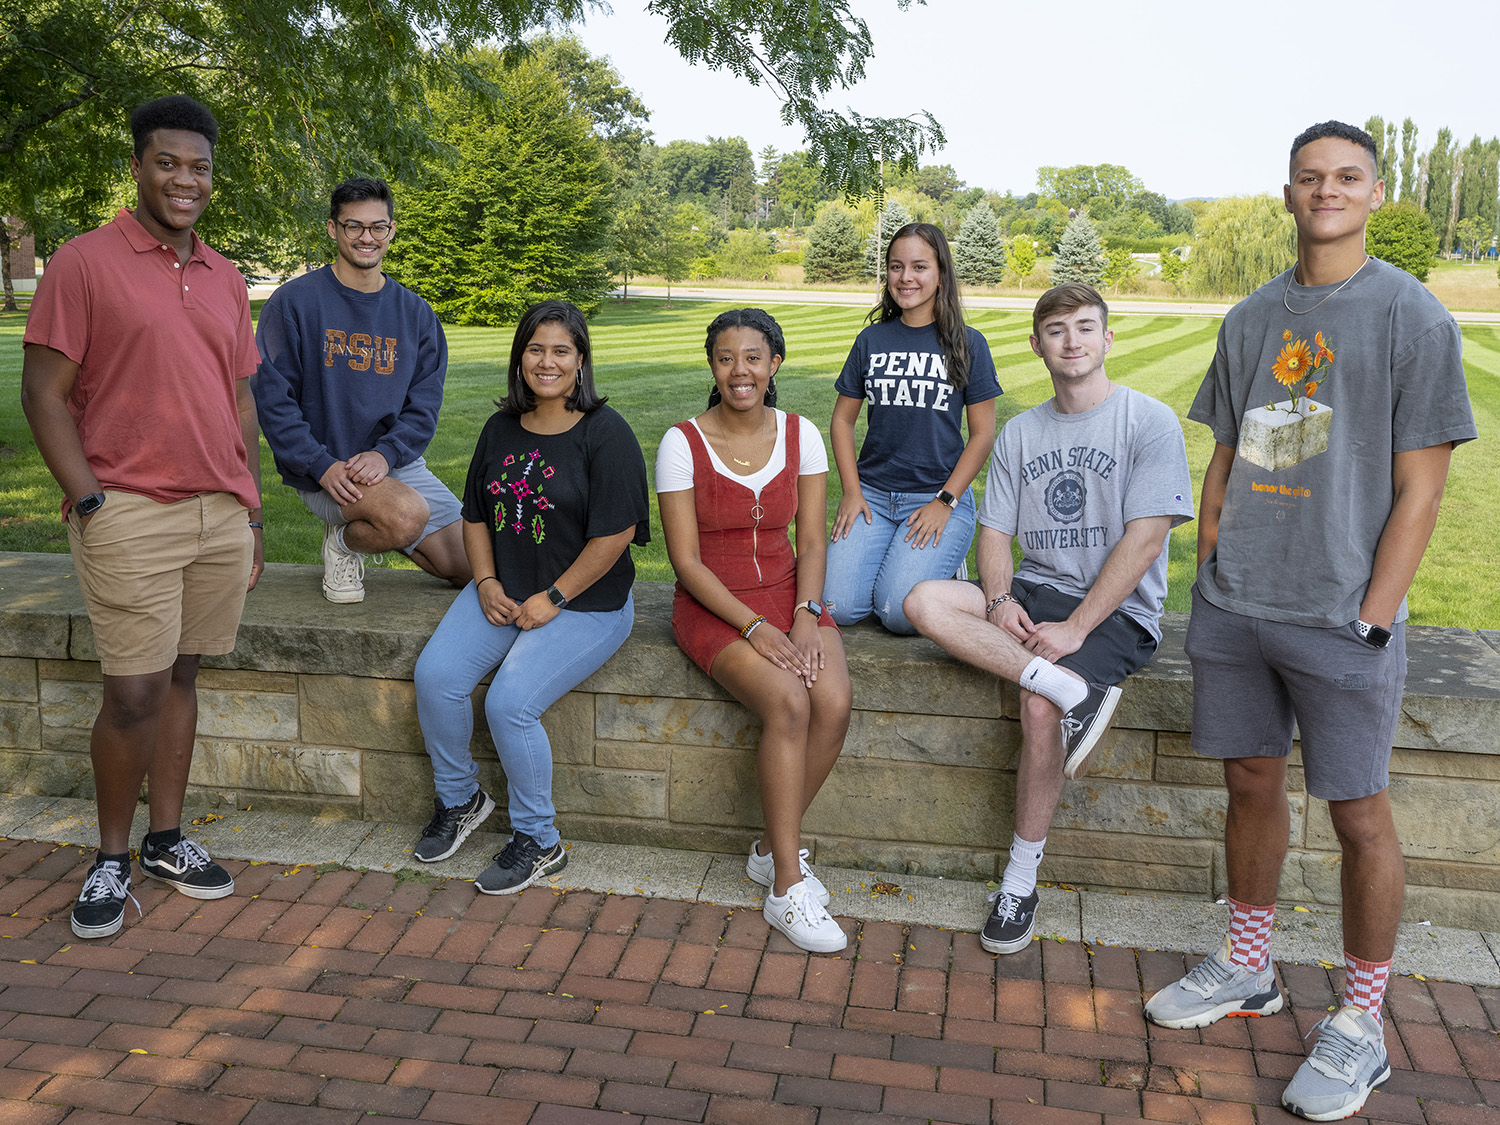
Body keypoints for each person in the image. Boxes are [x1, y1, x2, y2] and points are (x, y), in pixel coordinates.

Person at [1142, 121, 1476, 1122]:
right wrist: (1209, 555)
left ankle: (1362, 1021)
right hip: (1238, 604)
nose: (1325, 191)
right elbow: (1230, 448)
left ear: (1375, 194)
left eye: (1346, 178)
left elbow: (1422, 492)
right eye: (1308, 177)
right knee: (1250, 783)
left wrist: (1374, 617)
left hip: (1341, 615)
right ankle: (1251, 967)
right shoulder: (1250, 319)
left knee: (1357, 811)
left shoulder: (1413, 319)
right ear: (1287, 193)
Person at [20, 96, 262, 938]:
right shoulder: (84, 263)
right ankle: (111, 858)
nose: (184, 180)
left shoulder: (228, 276)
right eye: (168, 163)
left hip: (217, 514)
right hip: (126, 508)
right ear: (137, 166)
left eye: (198, 166)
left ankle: (166, 840)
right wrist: (89, 498)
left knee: (183, 678)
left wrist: (252, 508)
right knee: (132, 692)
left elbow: (240, 399)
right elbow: (43, 394)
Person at [904, 282, 1192, 955]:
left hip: (1117, 612)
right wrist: (1001, 601)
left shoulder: (1148, 421)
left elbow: (1147, 538)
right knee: (924, 600)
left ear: (1108, 338)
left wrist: (1078, 628)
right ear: (1037, 345)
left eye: (1086, 328)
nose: (1073, 341)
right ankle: (1066, 686)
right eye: (1058, 330)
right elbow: (996, 536)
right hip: (1035, 593)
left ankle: (1019, 879)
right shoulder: (1020, 432)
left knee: (1036, 710)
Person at [411, 300, 649, 894]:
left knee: (509, 703)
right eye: (536, 349)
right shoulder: (501, 428)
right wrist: (486, 583)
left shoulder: (606, 432)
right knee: (436, 676)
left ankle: (539, 839)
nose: (547, 362)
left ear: (580, 360)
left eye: (560, 351)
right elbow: (475, 517)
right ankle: (460, 799)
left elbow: (616, 533)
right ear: (520, 358)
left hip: (587, 602)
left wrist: (556, 597)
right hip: (503, 590)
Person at [658, 308, 853, 954]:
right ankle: (785, 889)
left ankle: (771, 848)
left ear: (775, 364)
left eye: (752, 357)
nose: (739, 370)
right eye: (725, 357)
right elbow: (684, 561)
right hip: (714, 604)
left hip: (791, 594)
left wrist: (802, 614)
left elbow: (813, 540)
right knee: (789, 700)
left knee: (834, 701)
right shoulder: (680, 442)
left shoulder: (803, 434)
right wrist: (754, 627)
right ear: (711, 365)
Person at [254, 177, 470, 603]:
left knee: (473, 567)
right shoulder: (293, 303)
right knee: (407, 515)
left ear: (391, 231)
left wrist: (386, 454)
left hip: (395, 465)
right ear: (333, 229)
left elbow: (424, 406)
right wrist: (319, 464)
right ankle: (344, 545)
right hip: (324, 472)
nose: (366, 237)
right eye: (354, 226)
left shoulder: (416, 314)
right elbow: (274, 402)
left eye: (377, 227)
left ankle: (376, 524)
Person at [823, 222, 1002, 634]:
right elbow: (842, 420)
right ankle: (895, 562)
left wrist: (944, 502)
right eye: (896, 267)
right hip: (871, 495)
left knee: (900, 615)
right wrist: (851, 492)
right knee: (839, 607)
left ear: (941, 273)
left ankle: (948, 577)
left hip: (936, 497)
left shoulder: (968, 343)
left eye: (919, 266)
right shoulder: (872, 339)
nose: (906, 278)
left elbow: (982, 435)